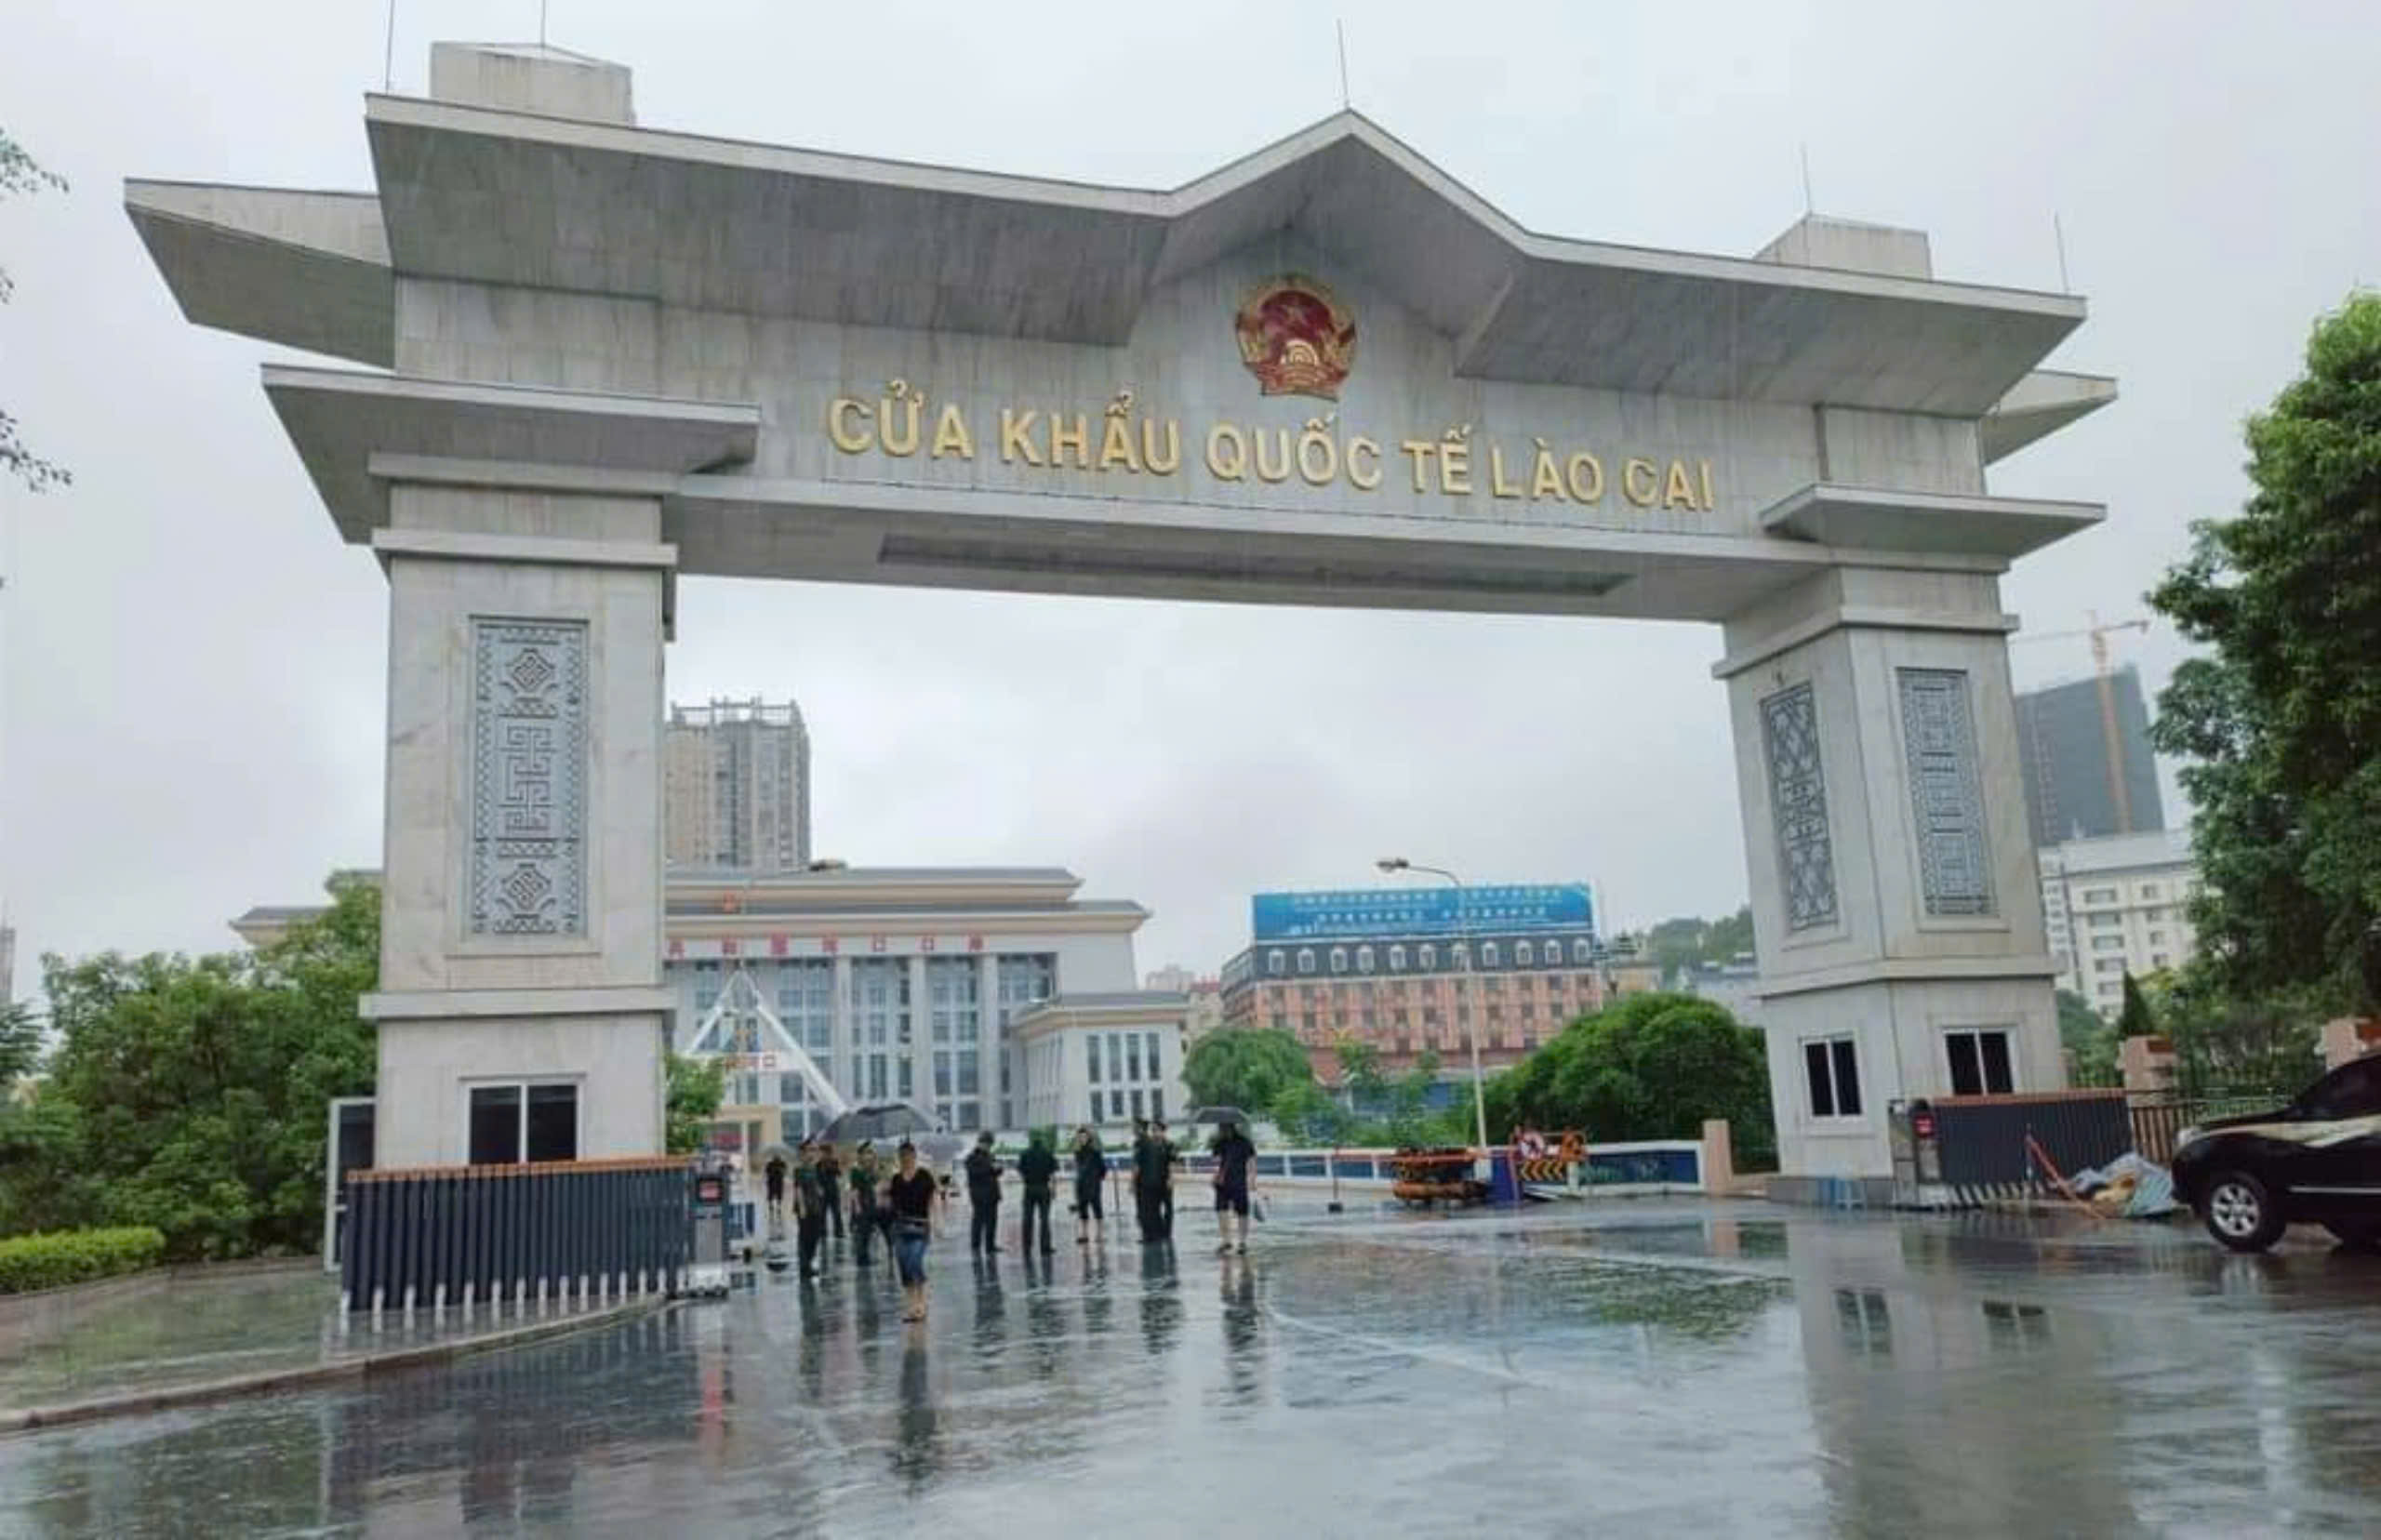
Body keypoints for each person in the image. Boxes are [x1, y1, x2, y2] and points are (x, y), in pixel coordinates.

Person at [886, 1140, 941, 1321]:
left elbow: (933, 1198)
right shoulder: (896, 1179)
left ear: (914, 1156)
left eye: (908, 1155)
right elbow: (891, 1202)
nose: (905, 1159)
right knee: (904, 1266)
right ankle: (911, 1305)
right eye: (902, 1156)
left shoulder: (924, 1175)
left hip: (920, 1226)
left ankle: (921, 1304)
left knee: (914, 1262)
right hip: (900, 1227)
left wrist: (936, 1220)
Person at [1211, 1118, 1257, 1255]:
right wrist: (1215, 1175)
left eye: (1222, 1127)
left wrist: (1252, 1180)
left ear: (1230, 1126)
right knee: (1221, 1212)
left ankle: (1242, 1242)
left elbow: (1251, 1161)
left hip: (1239, 1181)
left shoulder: (1244, 1142)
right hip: (1222, 1183)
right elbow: (1215, 1162)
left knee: (1242, 1212)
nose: (1220, 1130)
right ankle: (1226, 1241)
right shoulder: (1219, 1143)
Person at [1016, 1129, 1058, 1255]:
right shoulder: (1047, 1153)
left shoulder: (1024, 1154)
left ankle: (1027, 1246)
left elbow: (1020, 1170)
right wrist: (1053, 1188)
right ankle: (1045, 1247)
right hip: (1044, 1187)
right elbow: (1053, 1172)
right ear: (1042, 1141)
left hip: (1029, 1188)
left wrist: (1026, 1178)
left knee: (1027, 1218)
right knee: (1044, 1218)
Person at [964, 1132, 1004, 1257]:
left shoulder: (990, 1156)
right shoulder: (971, 1157)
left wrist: (998, 1169)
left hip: (992, 1193)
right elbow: (975, 1172)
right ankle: (975, 1245)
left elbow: (996, 1172)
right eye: (987, 1144)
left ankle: (990, 1245)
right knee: (978, 1220)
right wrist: (991, 1169)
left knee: (992, 1221)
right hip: (979, 1194)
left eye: (990, 1145)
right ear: (981, 1143)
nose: (988, 1147)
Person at [793, 1140, 829, 1280]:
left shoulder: (816, 1169)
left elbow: (819, 1187)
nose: (812, 1153)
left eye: (814, 1150)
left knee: (814, 1237)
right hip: (805, 1208)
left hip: (816, 1207)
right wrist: (802, 1207)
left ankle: (808, 1263)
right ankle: (804, 1266)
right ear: (802, 1153)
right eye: (810, 1150)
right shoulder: (799, 1170)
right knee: (804, 1237)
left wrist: (821, 1191)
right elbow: (798, 1189)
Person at [848, 1140, 885, 1267]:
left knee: (869, 1231)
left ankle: (866, 1256)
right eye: (867, 1153)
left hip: (871, 1202)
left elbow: (877, 1183)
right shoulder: (856, 1170)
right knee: (862, 1232)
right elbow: (854, 1190)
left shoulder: (870, 1170)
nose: (869, 1155)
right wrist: (857, 1206)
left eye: (871, 1153)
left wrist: (875, 1167)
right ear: (860, 1155)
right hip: (861, 1202)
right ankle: (861, 1258)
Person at [1071, 1126, 1106, 1247]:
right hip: (1081, 1184)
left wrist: (1097, 1178)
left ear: (1088, 1137)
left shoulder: (1095, 1152)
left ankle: (1099, 1234)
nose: (1082, 1139)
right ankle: (1084, 1234)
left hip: (1094, 1183)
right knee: (1083, 1210)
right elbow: (1078, 1168)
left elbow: (1102, 1168)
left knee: (1097, 1208)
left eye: (1084, 1136)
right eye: (1080, 1137)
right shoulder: (1077, 1152)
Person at [1131, 1120, 1164, 1242]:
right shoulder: (1152, 1142)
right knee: (1154, 1209)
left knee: (1144, 1210)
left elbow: (1137, 1166)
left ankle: (1148, 1235)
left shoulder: (1139, 1143)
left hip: (1144, 1182)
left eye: (1135, 1127)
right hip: (1156, 1181)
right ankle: (1157, 1234)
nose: (1133, 1130)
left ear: (1140, 1128)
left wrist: (1132, 1182)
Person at [1151, 1118, 1177, 1242]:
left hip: (1165, 1179)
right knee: (1154, 1207)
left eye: (1156, 1130)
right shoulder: (1150, 1145)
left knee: (1168, 1206)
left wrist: (1171, 1178)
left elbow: (1172, 1162)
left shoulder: (1169, 1145)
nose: (1154, 1133)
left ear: (1163, 1131)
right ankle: (1159, 1231)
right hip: (1153, 1179)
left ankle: (1167, 1232)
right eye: (1153, 1130)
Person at [818, 1145, 845, 1240]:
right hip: (823, 1191)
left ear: (829, 1153)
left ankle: (839, 1231)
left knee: (836, 1212)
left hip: (833, 1190)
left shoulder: (834, 1162)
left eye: (824, 1153)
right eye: (821, 1153)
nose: (822, 1155)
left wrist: (830, 1167)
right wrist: (819, 1188)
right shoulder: (818, 1164)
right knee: (822, 1213)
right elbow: (817, 1177)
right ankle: (822, 1231)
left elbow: (839, 1173)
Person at [763, 1150, 789, 1226]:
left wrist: (780, 1172)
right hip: (772, 1181)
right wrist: (772, 1173)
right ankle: (772, 1207)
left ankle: (778, 1207)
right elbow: (767, 1172)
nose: (776, 1159)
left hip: (778, 1181)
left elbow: (785, 1171)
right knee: (771, 1195)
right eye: (775, 1158)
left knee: (778, 1195)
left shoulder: (781, 1163)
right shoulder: (770, 1164)